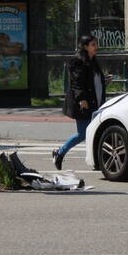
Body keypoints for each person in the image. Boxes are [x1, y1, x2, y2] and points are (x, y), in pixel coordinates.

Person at [52, 34, 107, 170]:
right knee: (83, 134)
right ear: (85, 47)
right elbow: (77, 83)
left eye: (96, 44)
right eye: (93, 45)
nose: (96, 47)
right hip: (84, 104)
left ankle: (97, 161)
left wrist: (104, 80)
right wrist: (82, 99)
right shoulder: (78, 62)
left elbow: (92, 81)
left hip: (96, 103)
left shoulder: (93, 61)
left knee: (95, 132)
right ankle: (59, 153)